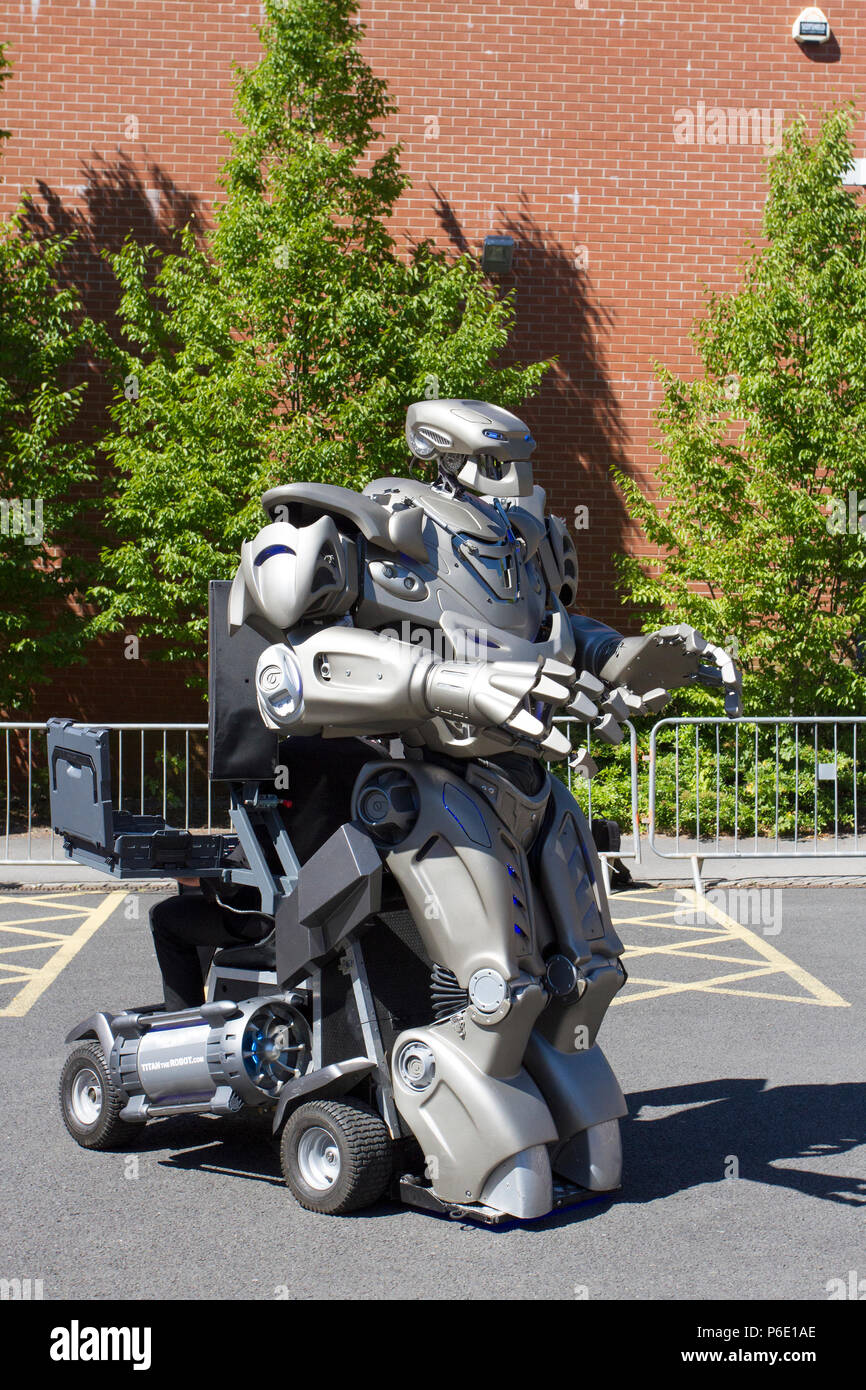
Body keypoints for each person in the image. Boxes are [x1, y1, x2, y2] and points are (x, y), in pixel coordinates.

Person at [148, 734, 381, 1011]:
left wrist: (186, 869)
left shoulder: (280, 758)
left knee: (166, 916)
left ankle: (184, 1028)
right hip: (362, 907)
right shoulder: (378, 757)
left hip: (287, 920)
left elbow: (242, 871)